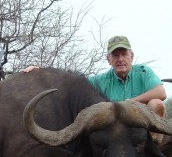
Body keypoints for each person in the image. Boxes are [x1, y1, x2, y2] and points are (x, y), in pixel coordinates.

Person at [23, 35, 167, 142]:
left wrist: (131, 102)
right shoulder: (100, 80)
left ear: (132, 56)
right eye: (115, 55)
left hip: (142, 131)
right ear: (108, 59)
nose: (120, 59)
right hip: (116, 135)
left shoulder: (143, 72)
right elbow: (73, 85)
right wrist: (42, 71)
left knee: (156, 103)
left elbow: (161, 92)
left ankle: (154, 147)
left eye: (124, 54)